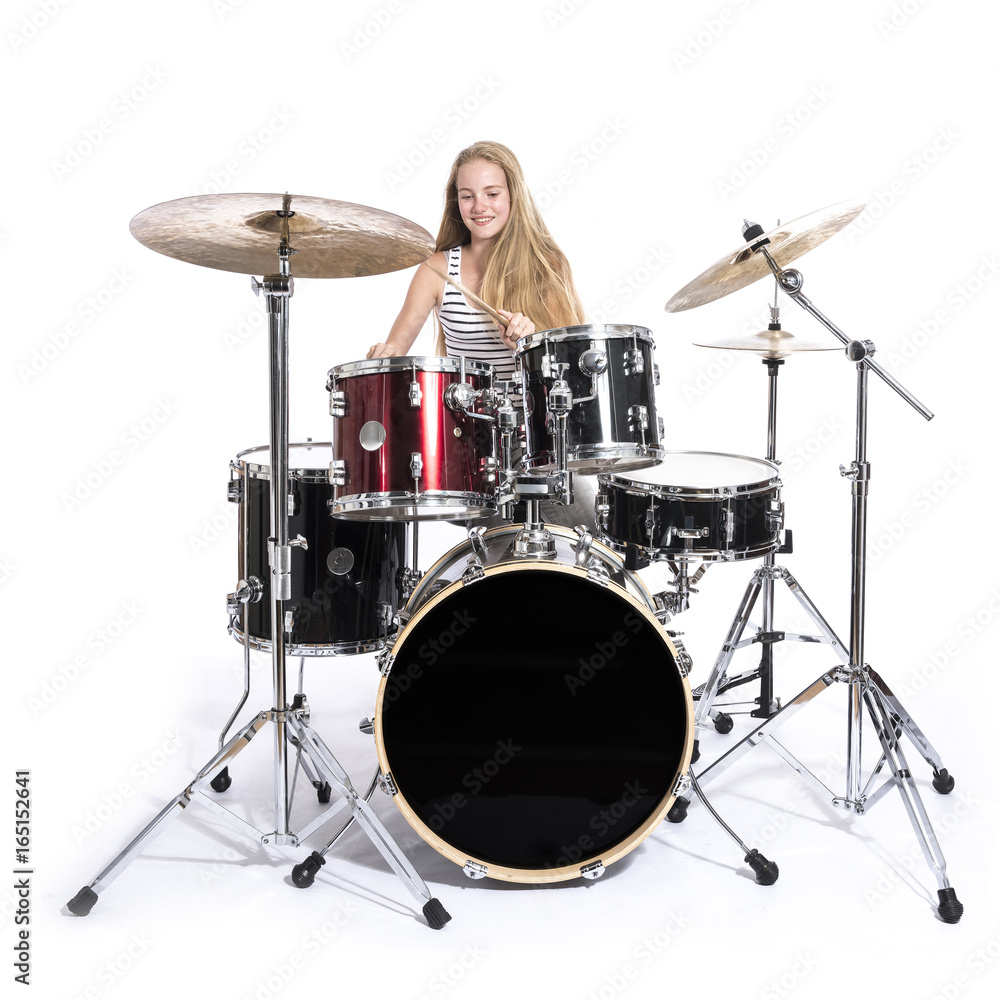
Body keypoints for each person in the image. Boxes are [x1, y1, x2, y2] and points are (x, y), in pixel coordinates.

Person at [367, 140, 595, 529]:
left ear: (513, 196)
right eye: (467, 196)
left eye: (492, 194)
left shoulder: (546, 264)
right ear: (456, 202)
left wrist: (531, 343)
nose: (479, 207)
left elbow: (573, 371)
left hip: (540, 450)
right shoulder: (437, 270)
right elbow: (395, 355)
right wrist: (383, 357)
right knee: (497, 569)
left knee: (593, 533)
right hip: (469, 452)